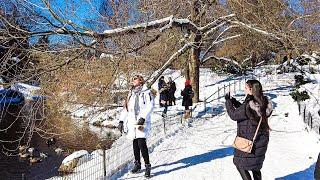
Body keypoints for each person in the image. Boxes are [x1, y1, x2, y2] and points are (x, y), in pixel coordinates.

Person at [225, 80, 273, 180]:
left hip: (248, 140)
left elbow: (234, 115)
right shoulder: (263, 102)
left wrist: (228, 102)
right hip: (261, 140)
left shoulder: (249, 105)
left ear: (251, 90)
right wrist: (235, 102)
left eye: (246, 88)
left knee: (240, 165)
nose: (244, 89)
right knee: (255, 167)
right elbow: (248, 112)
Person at [117, 74, 154, 178]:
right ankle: (137, 164)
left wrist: (143, 117)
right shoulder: (131, 93)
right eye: (132, 79)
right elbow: (126, 108)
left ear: (140, 81)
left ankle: (147, 165)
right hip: (132, 121)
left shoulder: (146, 92)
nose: (133, 80)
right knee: (135, 142)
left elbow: (150, 106)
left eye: (135, 79)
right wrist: (121, 121)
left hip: (142, 121)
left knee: (141, 142)